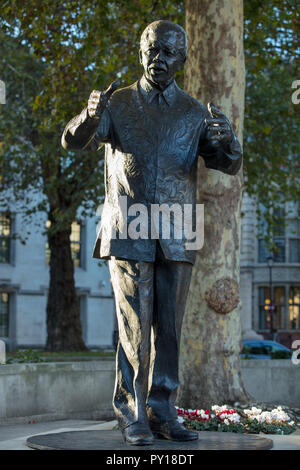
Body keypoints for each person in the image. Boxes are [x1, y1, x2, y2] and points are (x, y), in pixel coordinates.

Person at [62, 20, 242, 446]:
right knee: (134, 329)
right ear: (140, 51)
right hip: (129, 228)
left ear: (182, 59)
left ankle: (163, 411)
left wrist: (230, 140)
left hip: (179, 232)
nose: (158, 59)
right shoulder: (118, 103)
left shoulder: (196, 111)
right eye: (151, 50)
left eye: (168, 53)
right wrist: (89, 115)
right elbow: (74, 140)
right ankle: (132, 413)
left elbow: (226, 163)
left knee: (171, 330)